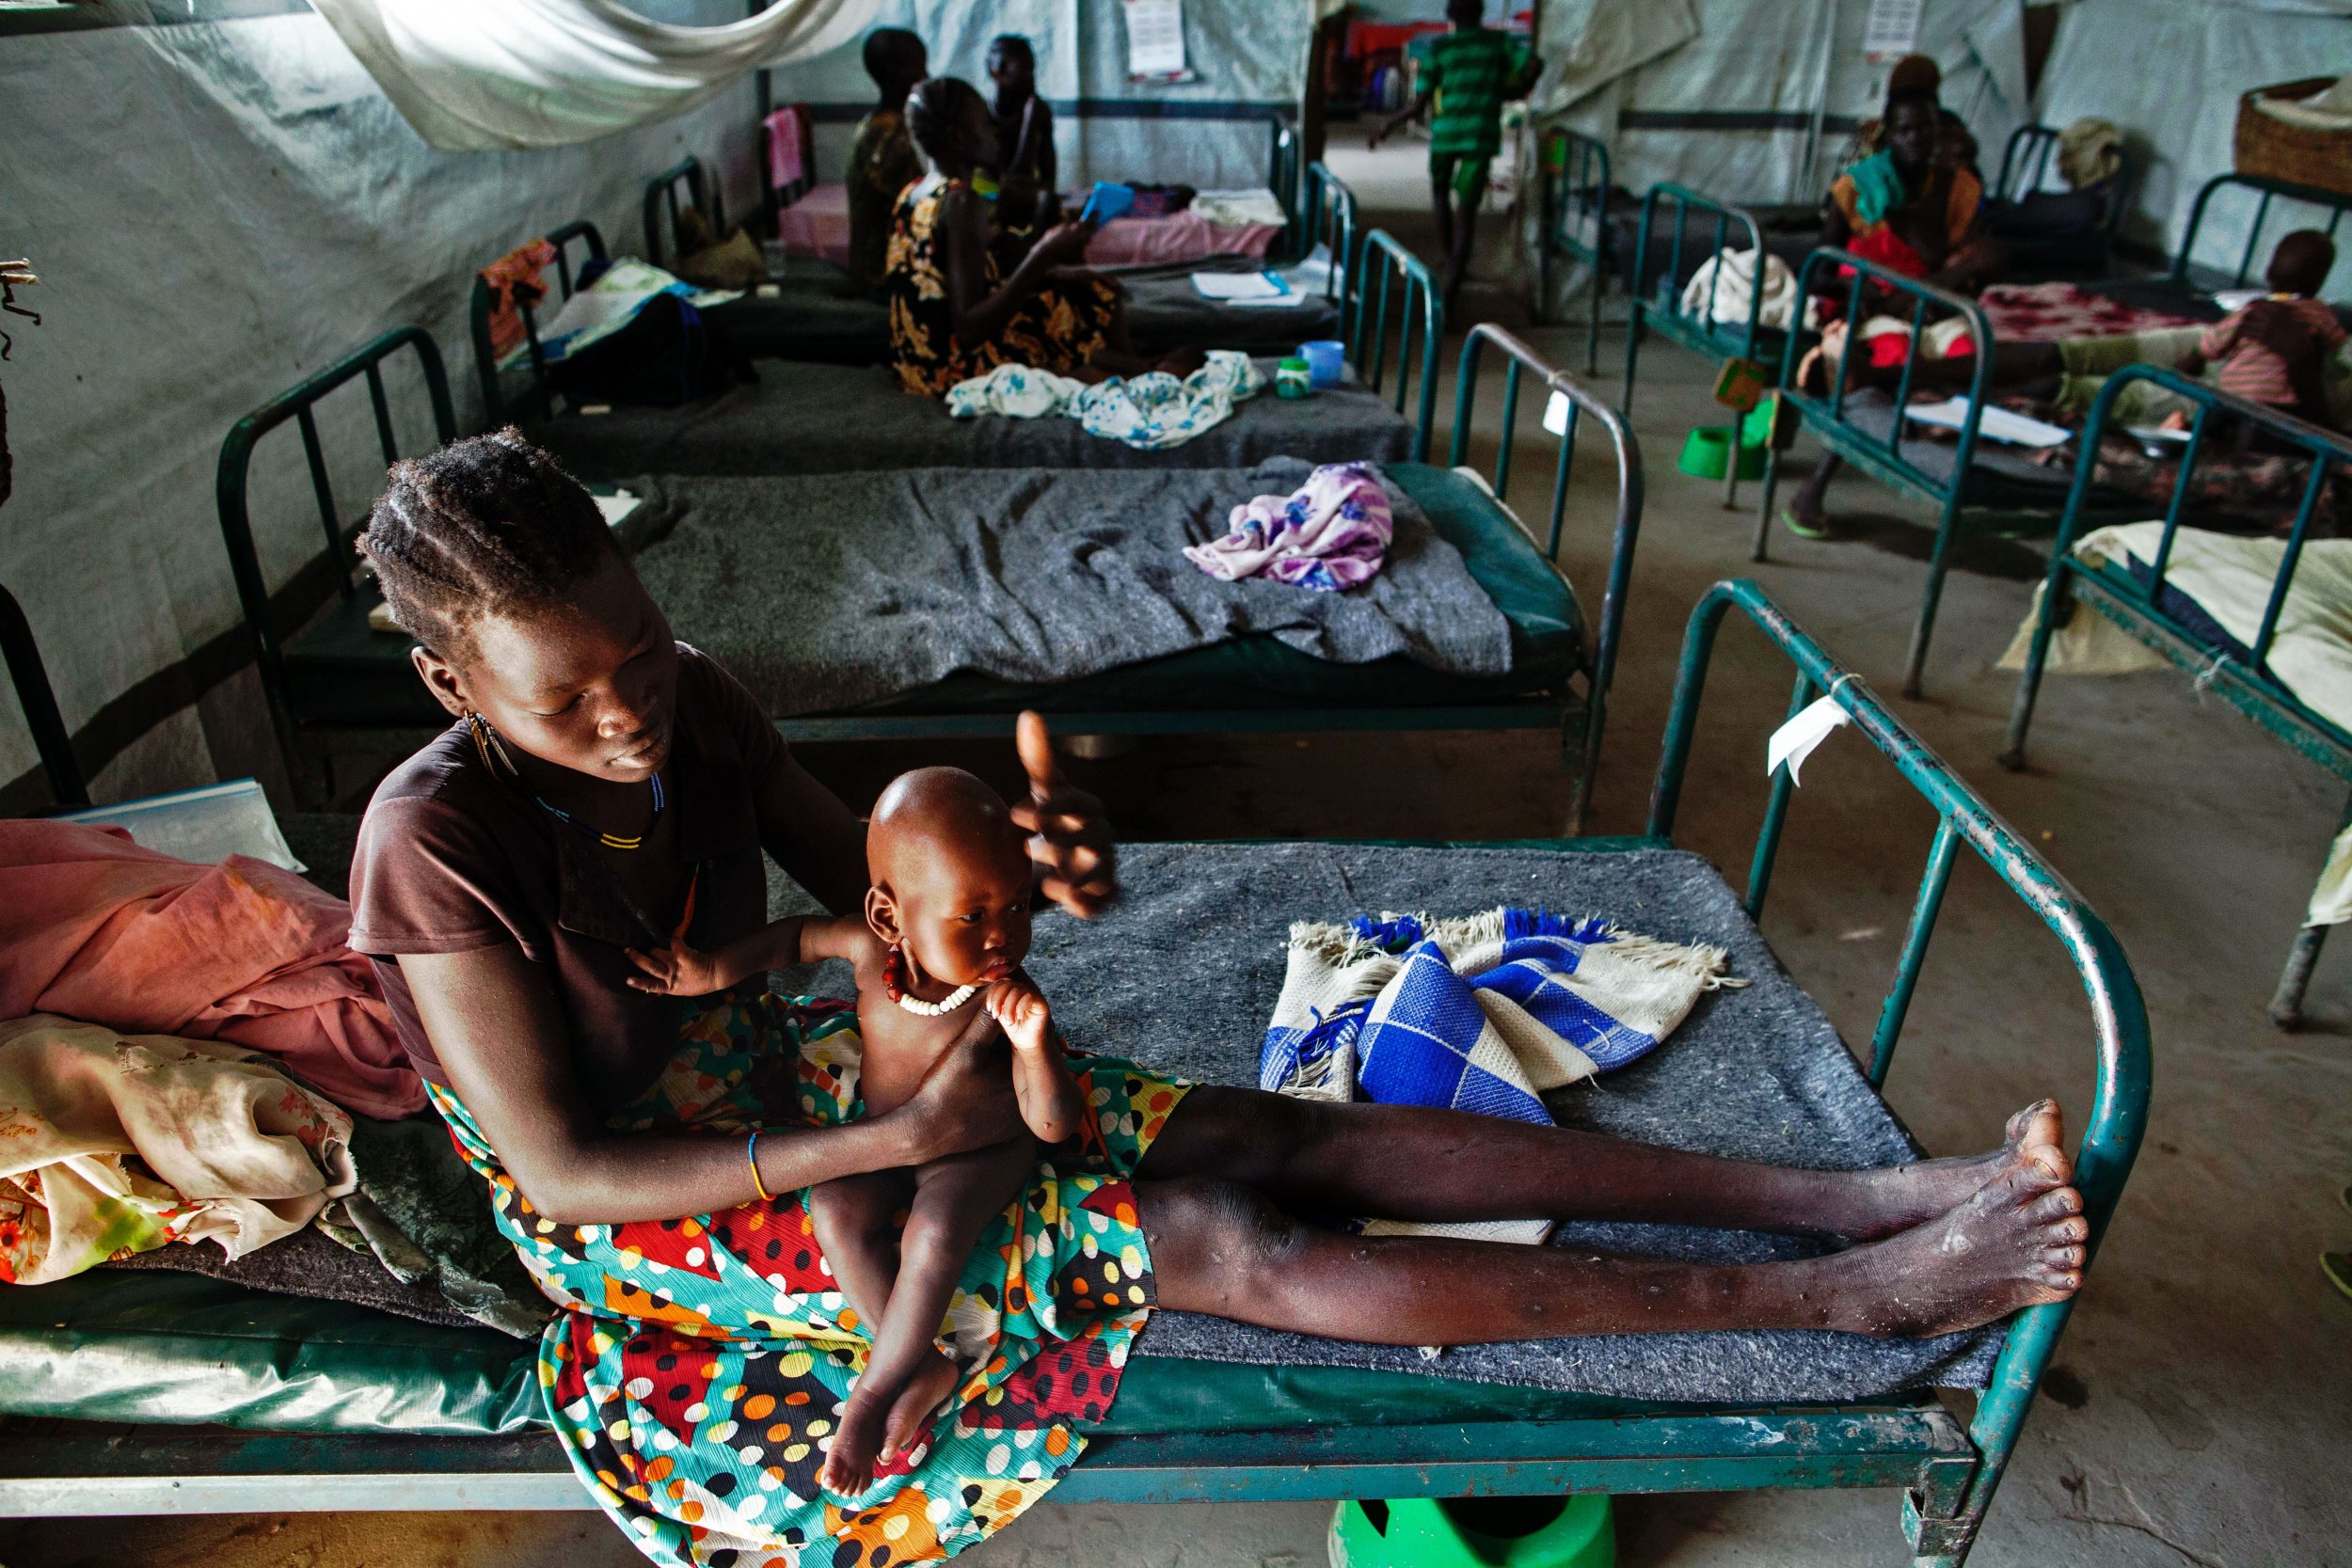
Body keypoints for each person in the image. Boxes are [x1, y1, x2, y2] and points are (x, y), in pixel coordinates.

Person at [348, 430, 2091, 1568]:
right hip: (648, 1194)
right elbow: (567, 1175)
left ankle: (1845, 1196)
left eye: (639, 652)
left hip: (783, 1067)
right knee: (1210, 1231)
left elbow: (864, 879)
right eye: (568, 698)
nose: (630, 711)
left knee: (1271, 1128)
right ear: (449, 680)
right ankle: (1848, 1305)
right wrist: (896, 1125)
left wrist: (968, 952)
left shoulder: (699, 698)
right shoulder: (437, 843)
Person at [624, 767, 1083, 1497]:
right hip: (885, 1130)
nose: (1004, 934)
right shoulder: (872, 955)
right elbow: (795, 939)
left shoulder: (1004, 997)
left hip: (980, 1145)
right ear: (887, 916)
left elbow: (1052, 1125)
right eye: (972, 916)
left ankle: (872, 1392)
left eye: (1019, 905)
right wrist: (713, 969)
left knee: (932, 1230)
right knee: (835, 1208)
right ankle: (923, 1362)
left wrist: (1033, 1044)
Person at [884, 76, 1199, 395]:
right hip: (952, 370)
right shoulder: (962, 203)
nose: (994, 130)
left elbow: (995, 226)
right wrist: (1043, 255)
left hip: (915, 363)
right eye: (985, 123)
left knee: (1084, 287)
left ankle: (1139, 368)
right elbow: (969, 329)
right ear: (959, 137)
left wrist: (1048, 256)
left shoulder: (916, 191)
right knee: (1074, 305)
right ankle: (1143, 376)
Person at [1784, 84, 2000, 539]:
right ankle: (1816, 485)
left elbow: (1975, 255)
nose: (1916, 138)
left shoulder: (1957, 188)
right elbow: (1818, 267)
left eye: (1925, 127)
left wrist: (1946, 277)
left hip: (1936, 308)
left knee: (1970, 357)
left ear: (1939, 131)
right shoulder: (1857, 189)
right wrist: (1855, 290)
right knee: (1888, 360)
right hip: (1875, 308)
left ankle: (1989, 480)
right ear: (1889, 135)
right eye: (1904, 129)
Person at [1367, 0, 1537, 313]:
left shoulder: (1440, 50)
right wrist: (1511, 88)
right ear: (1480, 13)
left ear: (1449, 18)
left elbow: (1419, 104)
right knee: (1467, 211)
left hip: (1445, 135)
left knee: (1440, 193)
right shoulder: (1498, 43)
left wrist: (1388, 124)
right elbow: (1532, 64)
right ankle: (1454, 282)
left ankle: (1449, 259)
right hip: (1479, 135)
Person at [2177, 230, 2344, 431]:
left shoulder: (2250, 311)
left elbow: (2211, 342)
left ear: (2268, 271)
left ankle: (2184, 429)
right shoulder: (2320, 314)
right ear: (2319, 281)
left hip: (2233, 398)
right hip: (2281, 406)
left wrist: (2194, 361)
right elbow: (2340, 347)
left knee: (2208, 425)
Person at [846, 28, 929, 297]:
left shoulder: (879, 124)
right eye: (919, 68)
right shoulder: (890, 138)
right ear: (896, 75)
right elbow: (918, 208)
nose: (926, 76)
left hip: (884, 267)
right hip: (886, 274)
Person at [987, 35, 1059, 231]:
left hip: (1019, 194)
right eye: (1024, 70)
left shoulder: (1038, 110)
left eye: (1031, 70)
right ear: (998, 70)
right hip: (984, 191)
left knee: (1047, 199)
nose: (1031, 78)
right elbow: (1010, 179)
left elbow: (1048, 177)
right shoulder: (982, 114)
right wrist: (1029, 125)